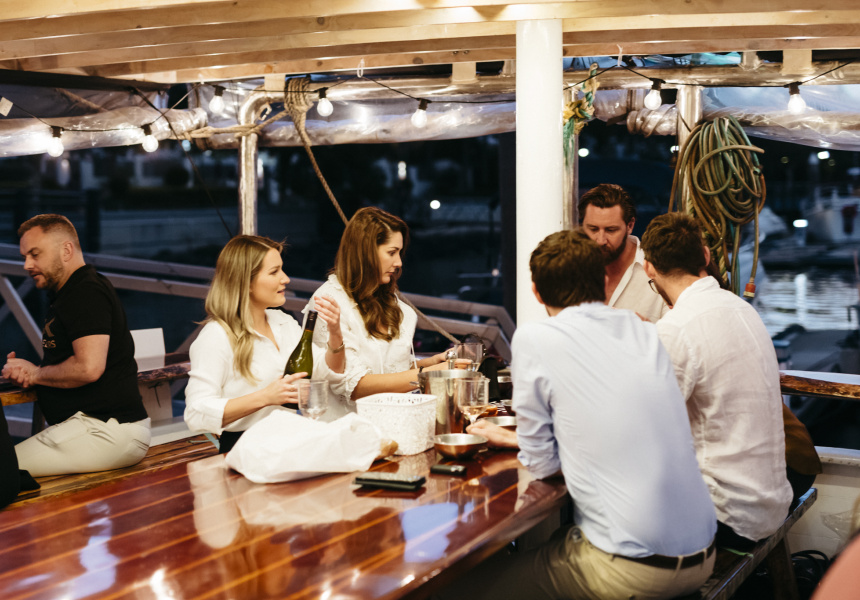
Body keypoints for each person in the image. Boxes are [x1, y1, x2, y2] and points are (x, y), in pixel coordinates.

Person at [449, 229, 717, 600]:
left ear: (536, 292)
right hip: (703, 553)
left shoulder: (535, 338)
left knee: (455, 589)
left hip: (634, 571)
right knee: (557, 543)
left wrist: (515, 440)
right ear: (604, 281)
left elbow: (542, 465)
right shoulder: (645, 332)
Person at [641, 212, 796, 550]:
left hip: (727, 516)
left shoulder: (675, 329)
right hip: (771, 501)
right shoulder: (741, 308)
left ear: (648, 268)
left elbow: (645, 427)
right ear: (705, 256)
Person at [1, 214, 151, 476]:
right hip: (99, 430)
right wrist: (29, 371)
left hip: (105, 430)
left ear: (66, 250)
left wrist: (35, 374)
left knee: (4, 473)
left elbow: (88, 367)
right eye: (25, 256)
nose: (27, 264)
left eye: (35, 254)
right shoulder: (72, 291)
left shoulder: (85, 292)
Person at [184, 235, 347, 454]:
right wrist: (266, 397)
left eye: (282, 269)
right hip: (243, 449)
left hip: (289, 442)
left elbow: (328, 372)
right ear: (246, 282)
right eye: (274, 272)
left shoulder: (283, 322)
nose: (285, 278)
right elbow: (195, 414)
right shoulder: (216, 336)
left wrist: (335, 333)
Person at [307, 207, 449, 405]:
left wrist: (431, 363)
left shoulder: (386, 299)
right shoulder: (328, 302)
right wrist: (429, 373)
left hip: (396, 418)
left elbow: (387, 368)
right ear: (366, 253)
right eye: (391, 252)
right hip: (349, 423)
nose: (399, 262)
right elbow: (353, 386)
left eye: (400, 253)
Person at [579, 183, 668, 322]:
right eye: (593, 229)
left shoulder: (661, 271)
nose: (601, 240)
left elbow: (675, 333)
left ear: (630, 226)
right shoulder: (571, 268)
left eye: (611, 230)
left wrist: (643, 327)